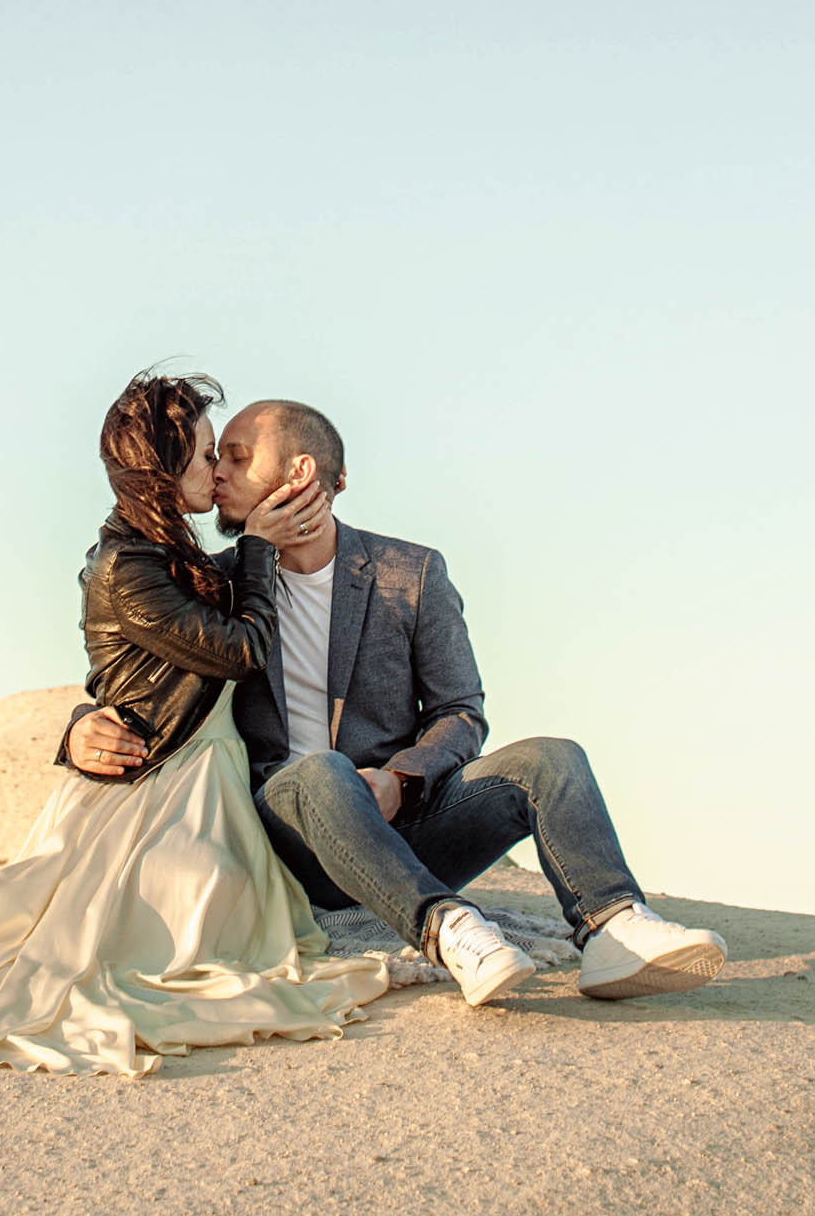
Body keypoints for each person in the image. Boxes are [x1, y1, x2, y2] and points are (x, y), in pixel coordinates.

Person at [0, 372, 392, 1077]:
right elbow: (238, 651)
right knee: (181, 911)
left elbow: (126, 671)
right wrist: (262, 549)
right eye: (206, 453)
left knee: (224, 899)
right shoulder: (129, 565)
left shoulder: (183, 557)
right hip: (159, 783)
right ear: (164, 469)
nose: (217, 468)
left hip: (212, 773)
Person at [65, 398, 726, 1007]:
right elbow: (132, 674)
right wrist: (77, 729)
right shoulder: (221, 583)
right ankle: (448, 929)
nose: (217, 474)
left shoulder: (411, 572)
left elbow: (461, 712)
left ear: (297, 472)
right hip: (288, 834)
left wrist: (400, 778)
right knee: (321, 773)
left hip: (404, 822)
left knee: (552, 759)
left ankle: (614, 927)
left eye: (236, 457)